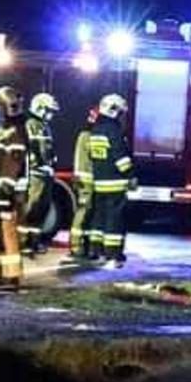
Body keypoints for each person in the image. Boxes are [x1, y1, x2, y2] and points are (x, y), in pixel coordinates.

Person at [85, 94, 135, 268]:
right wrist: (131, 175)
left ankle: (95, 250)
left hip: (100, 182)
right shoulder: (113, 130)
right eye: (121, 112)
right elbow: (120, 157)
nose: (122, 116)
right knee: (115, 219)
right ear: (114, 111)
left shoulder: (96, 130)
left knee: (99, 218)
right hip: (115, 183)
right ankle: (113, 255)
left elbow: (92, 155)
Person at [0, 86, 30, 292]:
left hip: (10, 194)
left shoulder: (15, 133)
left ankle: (11, 277)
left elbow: (13, 165)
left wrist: (5, 193)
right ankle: (5, 274)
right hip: (3, 192)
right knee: (1, 235)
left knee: (8, 234)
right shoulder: (5, 131)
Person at [22, 93, 60, 255]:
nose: (50, 114)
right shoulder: (31, 124)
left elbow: (47, 149)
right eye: (48, 110)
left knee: (41, 210)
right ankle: (24, 243)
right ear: (39, 107)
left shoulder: (43, 125)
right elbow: (33, 149)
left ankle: (34, 242)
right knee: (31, 209)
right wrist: (40, 164)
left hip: (45, 174)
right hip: (35, 174)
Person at [65, 106, 99, 264]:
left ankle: (85, 245)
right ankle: (76, 245)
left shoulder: (89, 135)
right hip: (86, 181)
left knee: (89, 214)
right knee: (83, 212)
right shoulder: (87, 136)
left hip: (90, 181)